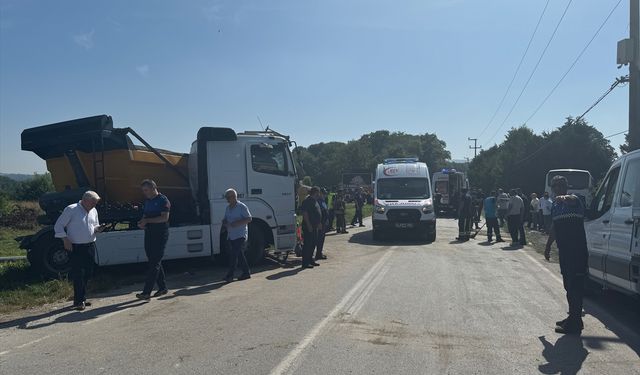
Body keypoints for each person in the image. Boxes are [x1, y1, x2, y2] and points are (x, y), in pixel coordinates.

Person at [545, 176, 588, 335]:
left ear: (566, 186)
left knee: (575, 287)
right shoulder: (555, 205)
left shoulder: (576, 199)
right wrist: (548, 246)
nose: (557, 188)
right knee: (568, 286)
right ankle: (574, 318)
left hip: (577, 252)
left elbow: (572, 200)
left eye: (560, 185)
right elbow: (554, 227)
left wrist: (565, 197)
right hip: (564, 252)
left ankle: (575, 324)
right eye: (555, 185)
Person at [54, 190, 105, 310]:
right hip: (75, 247)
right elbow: (58, 225)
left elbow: (94, 226)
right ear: (85, 200)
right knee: (78, 274)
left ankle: (82, 297)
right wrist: (65, 239)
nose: (94, 205)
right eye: (93, 203)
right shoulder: (71, 209)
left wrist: (99, 229)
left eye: (95, 203)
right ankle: (78, 300)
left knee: (88, 272)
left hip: (89, 245)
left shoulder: (93, 211)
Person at [136, 180, 171, 300]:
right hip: (149, 232)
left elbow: (164, 218)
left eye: (146, 190)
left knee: (154, 262)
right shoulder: (148, 201)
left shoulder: (163, 200)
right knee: (153, 260)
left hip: (160, 233)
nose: (144, 193)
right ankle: (163, 287)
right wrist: (142, 222)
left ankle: (146, 292)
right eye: (143, 191)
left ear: (153, 188)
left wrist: (148, 221)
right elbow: (145, 216)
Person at [221, 188, 252, 283]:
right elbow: (225, 219)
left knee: (234, 255)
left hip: (240, 234)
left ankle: (230, 275)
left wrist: (237, 223)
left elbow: (249, 218)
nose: (226, 199)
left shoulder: (241, 206)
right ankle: (246, 273)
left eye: (228, 197)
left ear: (234, 197)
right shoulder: (228, 208)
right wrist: (224, 223)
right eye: (226, 197)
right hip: (231, 235)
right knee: (239, 254)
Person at [300, 187, 322, 269]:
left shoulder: (314, 201)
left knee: (313, 243)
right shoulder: (307, 201)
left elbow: (317, 213)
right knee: (308, 245)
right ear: (315, 192)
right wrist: (309, 225)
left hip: (315, 226)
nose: (319, 194)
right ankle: (305, 263)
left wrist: (319, 222)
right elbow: (305, 214)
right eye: (318, 192)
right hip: (308, 226)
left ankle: (310, 260)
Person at [314, 188, 329, 260]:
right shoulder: (319, 202)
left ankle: (319, 252)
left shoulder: (323, 201)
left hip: (324, 222)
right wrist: (319, 222)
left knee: (322, 238)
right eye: (324, 193)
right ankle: (318, 254)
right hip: (321, 223)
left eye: (325, 193)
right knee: (319, 238)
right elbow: (319, 213)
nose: (325, 195)